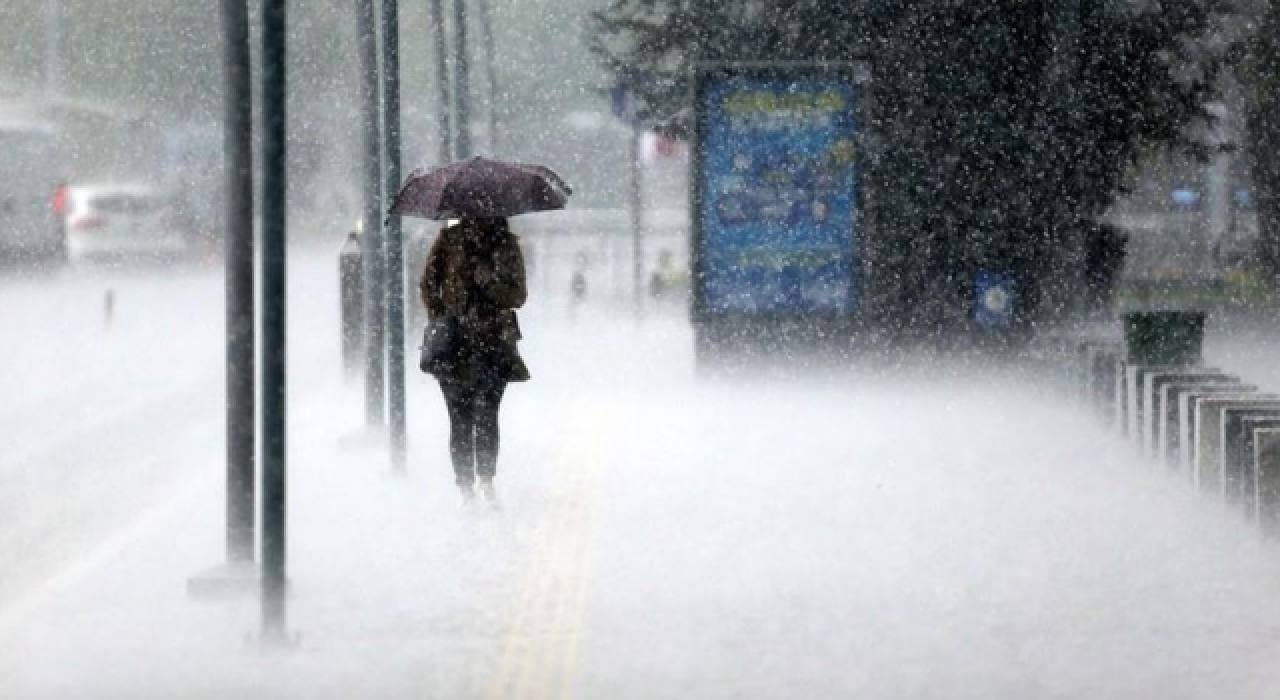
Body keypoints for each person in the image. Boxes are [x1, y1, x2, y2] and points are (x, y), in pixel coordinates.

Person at [420, 217, 530, 508]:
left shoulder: (506, 244)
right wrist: (444, 316)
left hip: (493, 343)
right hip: (454, 345)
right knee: (460, 418)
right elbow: (428, 285)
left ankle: (486, 480)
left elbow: (518, 295)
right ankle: (466, 487)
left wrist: (490, 283)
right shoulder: (449, 241)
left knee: (487, 415)